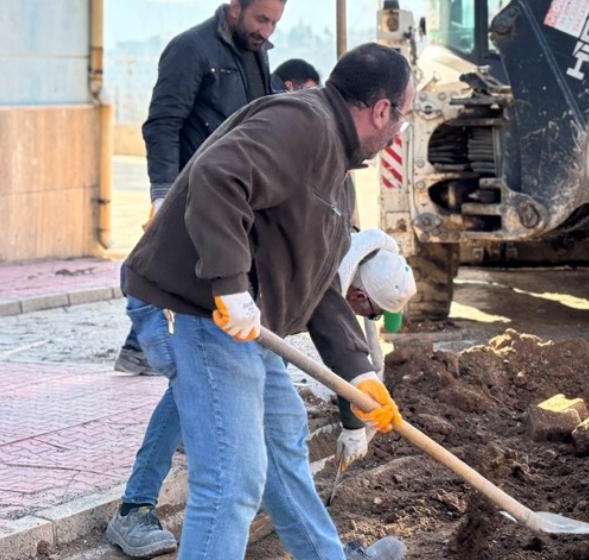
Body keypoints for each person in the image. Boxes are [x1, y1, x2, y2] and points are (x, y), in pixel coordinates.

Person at [113, 42, 415, 560]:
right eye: (402, 118)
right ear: (381, 109)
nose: (398, 133)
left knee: (283, 448)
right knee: (233, 478)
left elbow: (318, 275)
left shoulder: (337, 161)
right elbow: (217, 176)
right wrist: (229, 284)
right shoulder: (301, 124)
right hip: (209, 310)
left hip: (253, 320)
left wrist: (357, 372)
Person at [107, 229, 416, 558]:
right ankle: (134, 507)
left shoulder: (341, 235)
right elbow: (332, 315)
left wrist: (361, 383)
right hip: (211, 304)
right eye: (370, 312)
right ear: (358, 296)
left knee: (283, 436)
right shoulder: (326, 250)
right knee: (231, 475)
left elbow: (337, 328)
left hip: (251, 312)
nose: (364, 317)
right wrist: (352, 420)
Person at [115, 0, 285, 374]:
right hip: (192, 192)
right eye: (261, 19)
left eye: (274, 22)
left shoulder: (256, 53)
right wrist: (162, 193)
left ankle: (165, 361)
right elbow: (161, 124)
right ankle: (154, 355)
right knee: (171, 277)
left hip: (236, 194)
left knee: (202, 285)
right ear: (235, 7)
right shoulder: (190, 49)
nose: (267, 31)